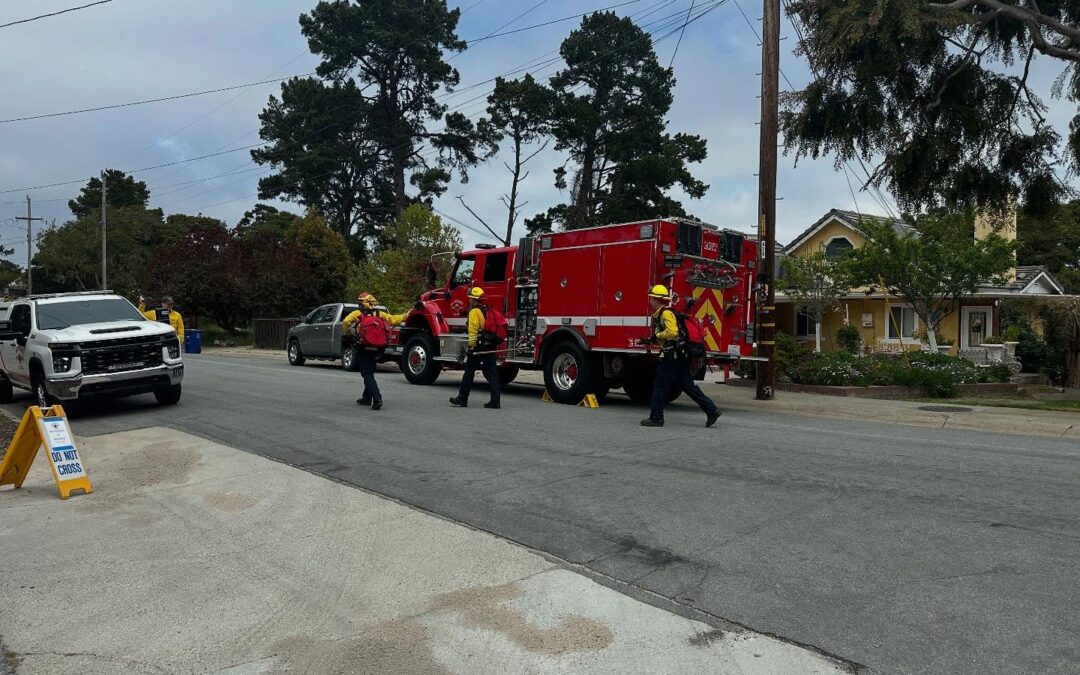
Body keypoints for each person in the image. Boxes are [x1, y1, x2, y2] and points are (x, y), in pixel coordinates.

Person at [640, 284, 720, 428]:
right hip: (680, 356)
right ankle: (711, 410)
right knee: (688, 386)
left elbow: (673, 332)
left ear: (657, 299)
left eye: (651, 298)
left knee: (659, 386)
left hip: (671, 357)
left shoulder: (665, 313)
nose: (650, 301)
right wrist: (652, 340)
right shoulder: (665, 313)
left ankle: (656, 417)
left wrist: (657, 335)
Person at [342, 292, 407, 411]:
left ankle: (377, 398)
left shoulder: (358, 314)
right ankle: (366, 398)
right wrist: (407, 314)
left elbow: (346, 322)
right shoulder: (380, 314)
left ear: (363, 304)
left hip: (364, 346)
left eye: (360, 303)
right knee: (370, 372)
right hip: (378, 348)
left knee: (366, 374)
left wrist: (347, 335)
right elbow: (394, 319)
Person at [449, 287, 501, 410]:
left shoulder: (474, 312)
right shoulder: (487, 309)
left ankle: (462, 399)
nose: (469, 300)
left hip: (478, 345)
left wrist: (471, 347)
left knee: (469, 372)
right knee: (492, 373)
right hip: (489, 344)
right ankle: (495, 401)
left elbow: (473, 331)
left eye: (471, 298)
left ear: (474, 299)